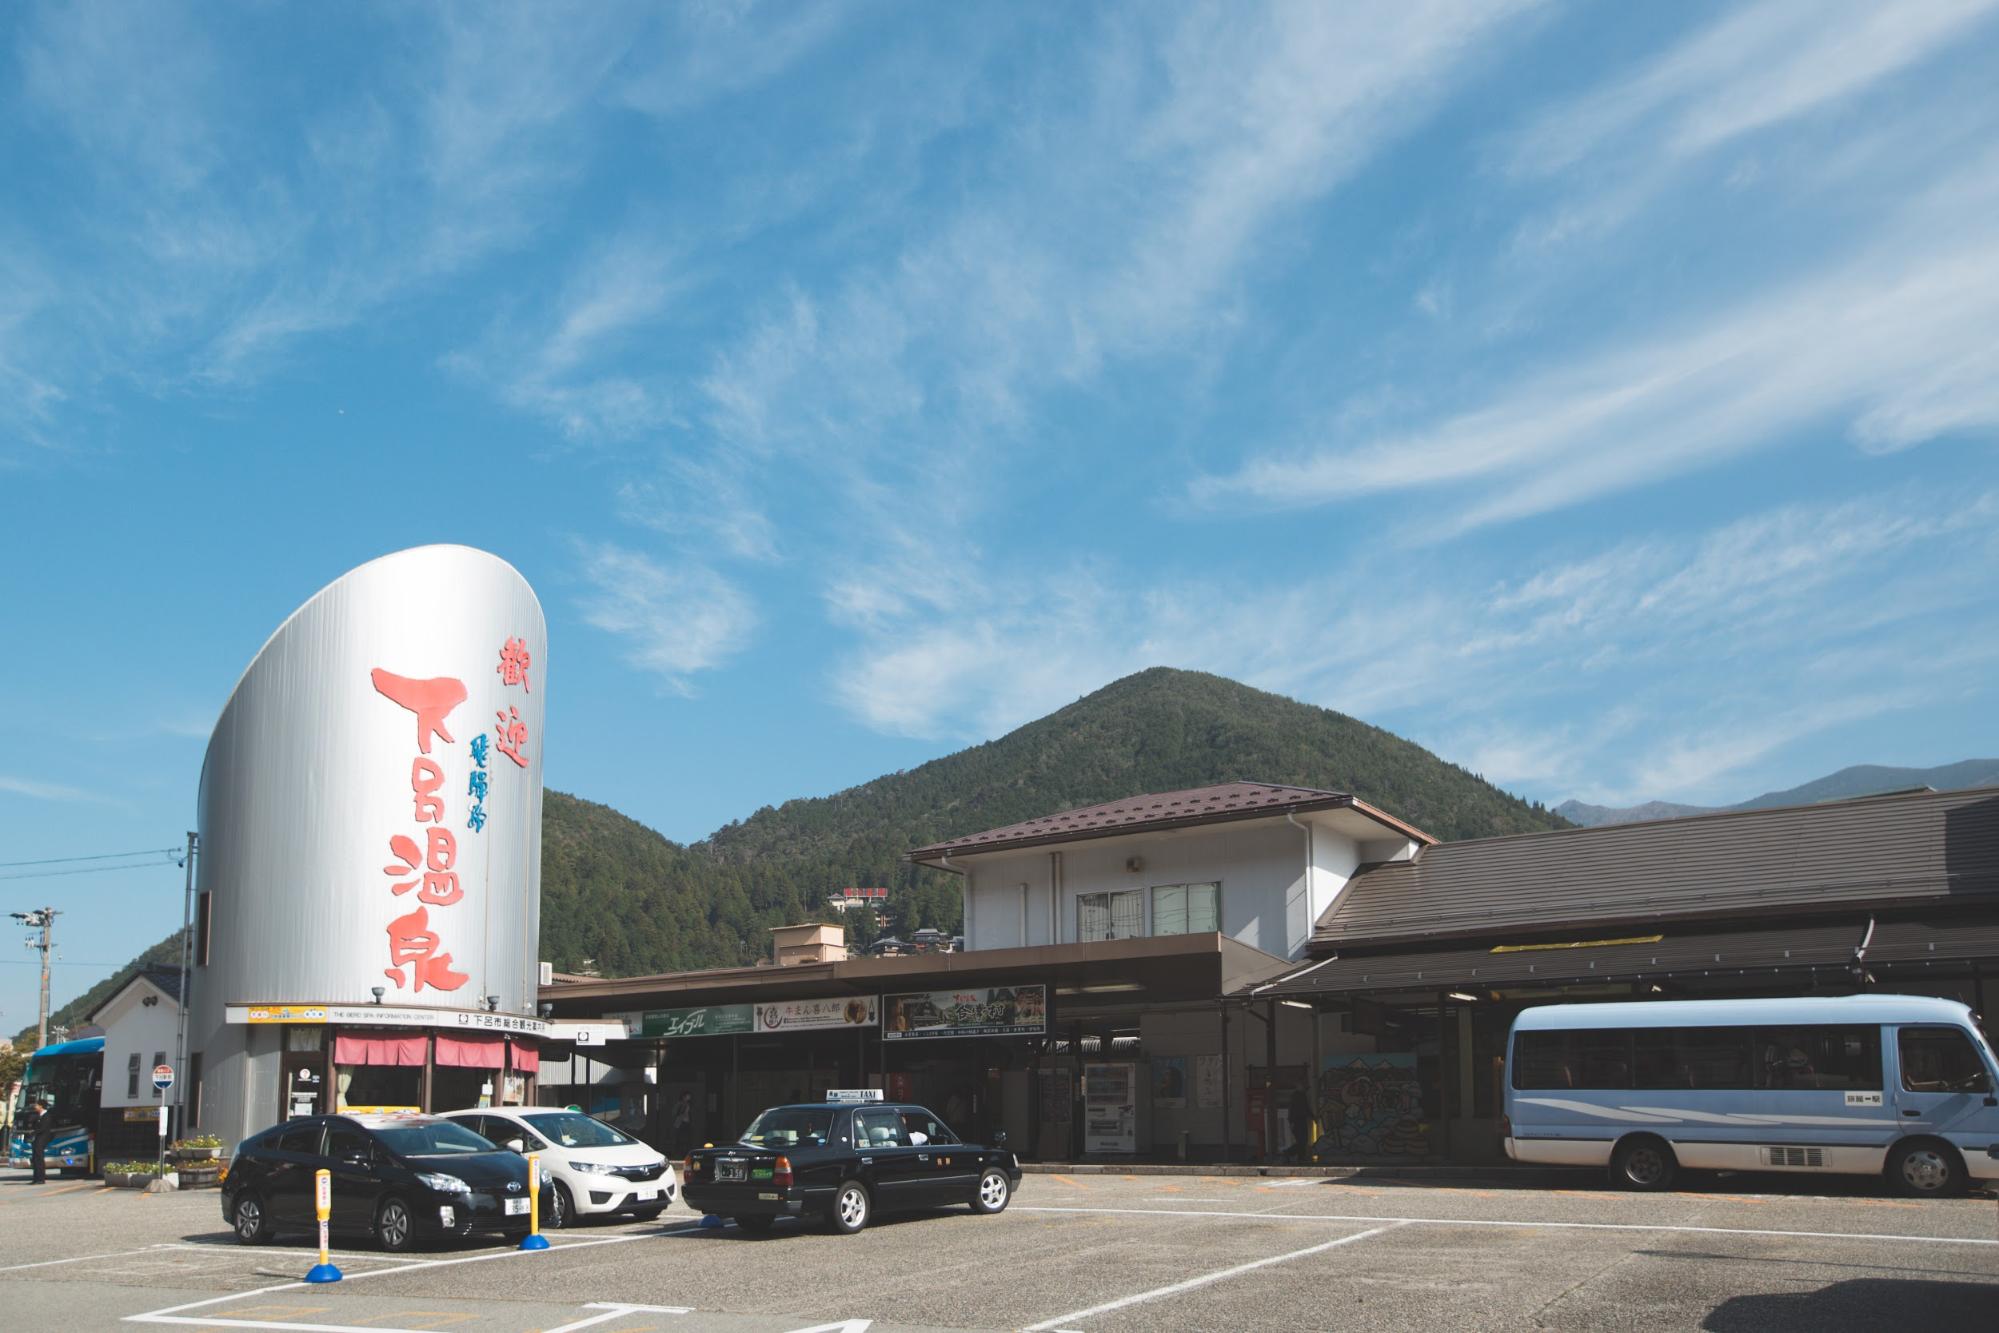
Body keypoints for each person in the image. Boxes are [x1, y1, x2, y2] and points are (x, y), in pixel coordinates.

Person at [22, 1094, 53, 1184]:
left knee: (39, 1159)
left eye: (36, 1105)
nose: (35, 1106)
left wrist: (33, 1132)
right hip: (37, 1139)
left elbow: (43, 1128)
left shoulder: (47, 1116)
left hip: (42, 1139)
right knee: (35, 1159)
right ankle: (35, 1178)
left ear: (41, 1106)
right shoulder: (37, 1116)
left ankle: (41, 1178)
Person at [1287, 1084, 1315, 1163]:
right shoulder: (1301, 1096)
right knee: (1303, 1140)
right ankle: (1290, 1153)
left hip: (1297, 1121)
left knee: (1301, 1141)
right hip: (1300, 1121)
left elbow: (1292, 1109)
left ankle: (1299, 1157)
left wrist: (1291, 1121)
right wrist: (1313, 1117)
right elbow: (1305, 1108)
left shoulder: (1294, 1096)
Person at [669, 1091, 694, 1157]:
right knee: (679, 1139)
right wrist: (683, 1112)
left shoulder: (689, 1104)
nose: (689, 1098)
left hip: (686, 1123)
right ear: (684, 1097)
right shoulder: (680, 1104)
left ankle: (685, 1153)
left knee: (686, 1139)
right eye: (688, 1096)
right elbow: (675, 1113)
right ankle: (678, 1153)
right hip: (680, 1123)